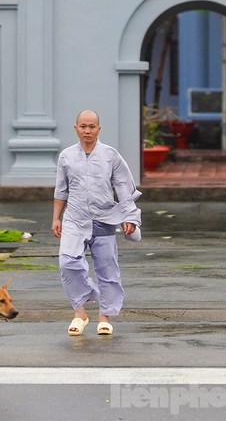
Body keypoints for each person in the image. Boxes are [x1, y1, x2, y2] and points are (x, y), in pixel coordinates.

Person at [51, 109, 142, 337]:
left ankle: (104, 317)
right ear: (76, 128)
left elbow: (124, 187)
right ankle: (80, 312)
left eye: (92, 126)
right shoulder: (66, 156)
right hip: (74, 218)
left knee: (107, 269)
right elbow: (61, 189)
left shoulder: (110, 155)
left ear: (98, 129)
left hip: (104, 219)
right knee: (67, 263)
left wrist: (129, 217)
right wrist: (56, 218)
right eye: (83, 126)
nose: (87, 131)